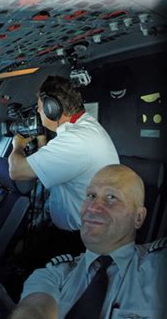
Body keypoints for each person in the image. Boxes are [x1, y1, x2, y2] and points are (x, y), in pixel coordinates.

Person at [0, 164, 166, 319]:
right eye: (91, 196)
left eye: (111, 197)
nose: (93, 208)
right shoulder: (56, 273)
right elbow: (33, 312)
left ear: (139, 217)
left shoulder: (158, 266)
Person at [9, 75, 119, 258]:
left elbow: (16, 171)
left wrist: (17, 146)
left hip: (80, 239)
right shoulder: (84, 127)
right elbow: (59, 164)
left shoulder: (76, 140)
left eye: (39, 105)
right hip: (85, 230)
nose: (37, 110)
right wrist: (43, 142)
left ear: (52, 108)